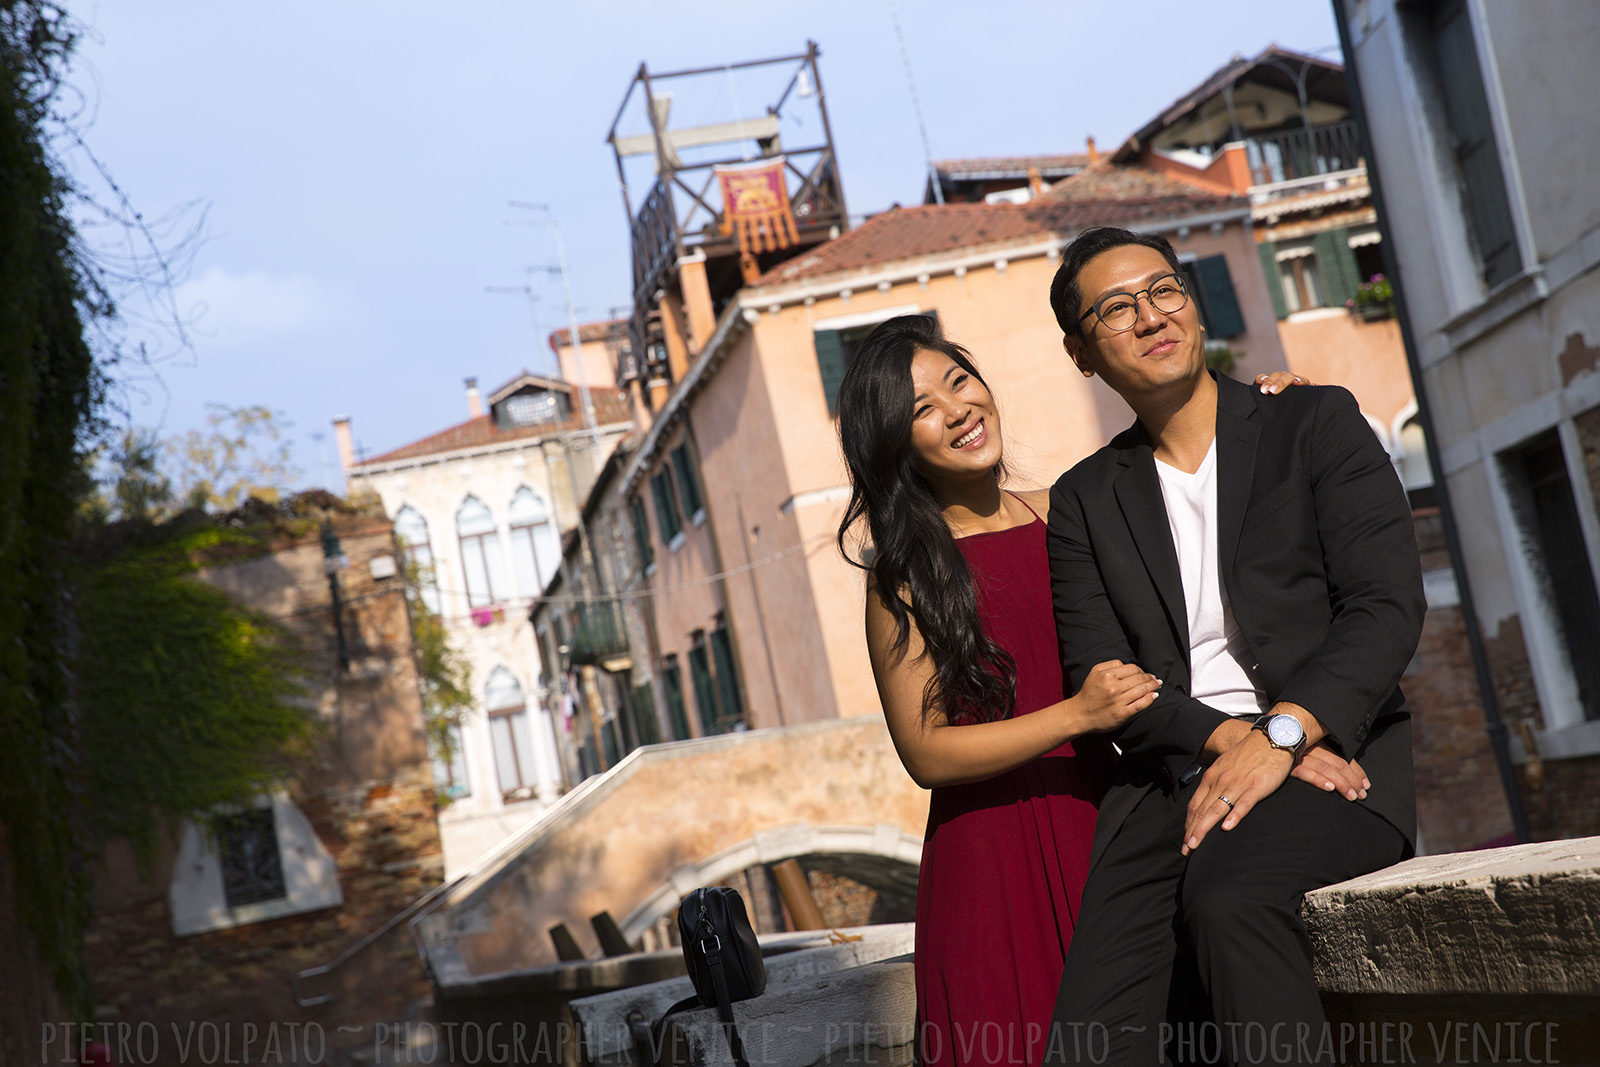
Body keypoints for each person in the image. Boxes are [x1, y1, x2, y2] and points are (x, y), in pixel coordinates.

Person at [834, 314, 1318, 1067]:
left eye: (958, 381)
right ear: (897, 449)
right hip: (991, 863)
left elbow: (1200, 525)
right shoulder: (903, 575)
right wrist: (1078, 713)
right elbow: (925, 751)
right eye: (922, 409)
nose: (958, 409)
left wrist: (1269, 411)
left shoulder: (1072, 512)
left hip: (1116, 826)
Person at [1042, 227, 1424, 1067]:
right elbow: (1105, 679)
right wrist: (1241, 744)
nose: (1150, 316)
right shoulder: (1084, 501)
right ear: (1082, 354)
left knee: (1230, 899)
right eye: (1116, 308)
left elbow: (1386, 607)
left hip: (1338, 758)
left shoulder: (1313, 421)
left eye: (1164, 289)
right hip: (1176, 775)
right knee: (1089, 1041)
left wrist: (1288, 733)